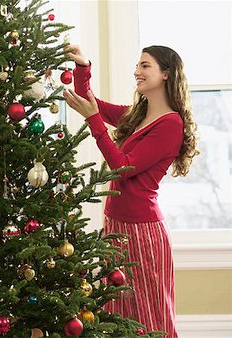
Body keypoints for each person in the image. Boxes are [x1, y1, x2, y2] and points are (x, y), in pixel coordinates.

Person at [63, 45, 199, 337]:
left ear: (166, 74)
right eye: (137, 65)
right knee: (118, 313)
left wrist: (93, 121)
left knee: (149, 315)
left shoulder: (170, 124)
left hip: (143, 232)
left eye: (145, 66)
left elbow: (122, 167)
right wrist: (83, 66)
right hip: (115, 225)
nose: (137, 71)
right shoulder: (137, 117)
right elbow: (90, 101)